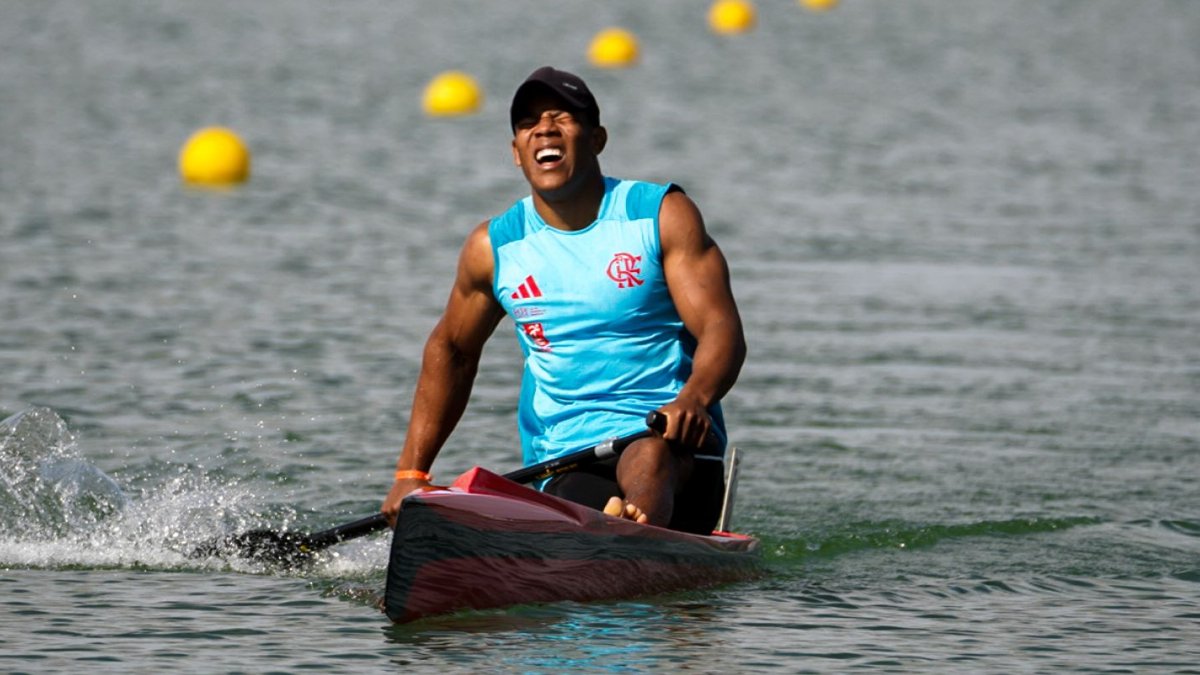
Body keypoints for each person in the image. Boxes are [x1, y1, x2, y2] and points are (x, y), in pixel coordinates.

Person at [381, 66, 745, 534]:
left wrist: (694, 399)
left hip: (674, 445)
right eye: (528, 123)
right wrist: (411, 474)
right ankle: (615, 536)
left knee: (650, 456)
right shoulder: (494, 248)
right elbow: (452, 350)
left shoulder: (660, 216)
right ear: (516, 152)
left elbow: (721, 328)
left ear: (597, 138)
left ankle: (630, 539)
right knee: (577, 502)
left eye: (562, 117)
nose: (544, 129)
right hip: (567, 459)